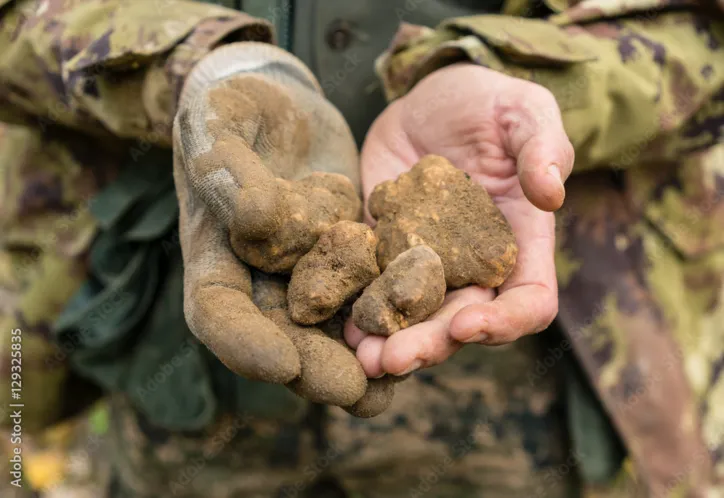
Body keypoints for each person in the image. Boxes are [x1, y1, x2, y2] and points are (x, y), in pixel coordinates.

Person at [0, 0, 722, 497]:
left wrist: (517, 74)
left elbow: (700, 29)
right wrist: (195, 65)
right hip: (169, 334)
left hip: (521, 384)